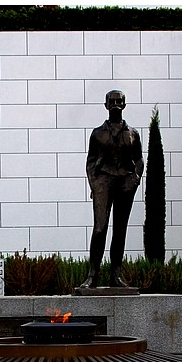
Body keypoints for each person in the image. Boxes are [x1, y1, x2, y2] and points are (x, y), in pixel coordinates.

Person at [79, 89, 144, 288]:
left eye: (119, 101)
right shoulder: (97, 134)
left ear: (124, 105)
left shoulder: (132, 134)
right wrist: (94, 182)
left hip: (125, 182)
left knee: (120, 230)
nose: (115, 104)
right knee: (100, 228)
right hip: (103, 182)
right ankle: (93, 275)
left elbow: (139, 159)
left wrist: (135, 178)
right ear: (106, 105)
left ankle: (115, 275)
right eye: (112, 101)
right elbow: (90, 161)